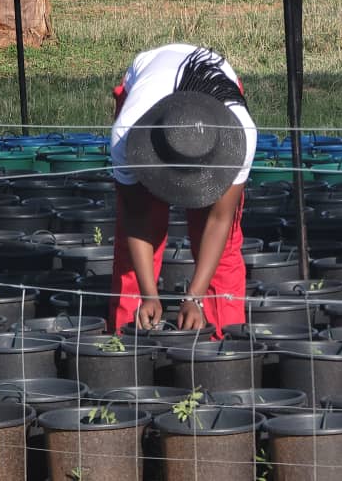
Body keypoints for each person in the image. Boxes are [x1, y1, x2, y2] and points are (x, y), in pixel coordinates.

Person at [108, 44, 257, 336]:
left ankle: (222, 343)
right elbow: (136, 218)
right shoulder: (127, 134)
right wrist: (149, 294)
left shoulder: (241, 134)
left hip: (216, 95)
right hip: (147, 88)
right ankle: (127, 339)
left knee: (221, 250)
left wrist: (194, 296)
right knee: (133, 257)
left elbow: (219, 220)